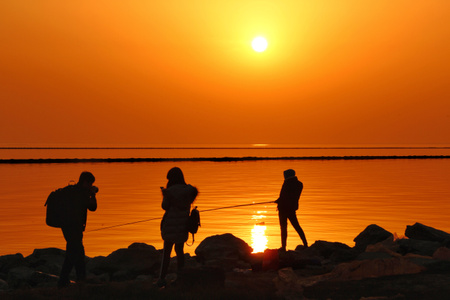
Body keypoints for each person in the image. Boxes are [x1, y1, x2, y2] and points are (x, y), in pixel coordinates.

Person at [157, 167, 198, 287]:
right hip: (183, 226)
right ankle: (181, 278)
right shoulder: (188, 191)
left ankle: (162, 279)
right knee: (180, 252)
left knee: (166, 253)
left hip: (170, 225)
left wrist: (165, 193)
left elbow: (164, 206)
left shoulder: (169, 192)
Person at [58, 171, 98, 288]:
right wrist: (93, 194)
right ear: (85, 182)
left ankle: (69, 280)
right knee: (77, 253)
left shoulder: (72, 191)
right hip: (74, 228)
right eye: (90, 183)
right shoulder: (80, 193)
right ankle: (70, 280)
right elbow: (93, 207)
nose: (91, 186)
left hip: (67, 227)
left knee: (74, 253)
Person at [275, 169, 308, 251]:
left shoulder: (287, 183)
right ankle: (305, 244)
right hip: (292, 208)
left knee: (283, 228)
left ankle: (283, 247)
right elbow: (292, 196)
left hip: (283, 209)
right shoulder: (299, 184)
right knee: (297, 226)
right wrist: (280, 199)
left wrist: (279, 200)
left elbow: (285, 196)